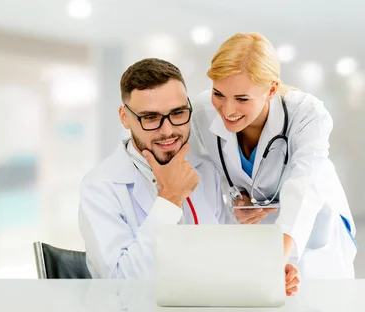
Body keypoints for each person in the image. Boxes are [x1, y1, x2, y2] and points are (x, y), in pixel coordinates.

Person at [78, 58, 300, 295]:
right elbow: (121, 286)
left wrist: (263, 272)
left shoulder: (205, 171)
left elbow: (225, 258)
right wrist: (168, 200)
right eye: (150, 118)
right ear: (124, 117)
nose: (168, 130)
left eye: (178, 113)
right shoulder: (100, 187)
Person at [189, 32, 357, 279]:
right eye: (219, 94)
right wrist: (235, 197)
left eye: (242, 99)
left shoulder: (308, 114)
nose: (227, 109)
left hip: (315, 227)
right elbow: (209, 170)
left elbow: (305, 185)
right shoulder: (202, 112)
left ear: (272, 90)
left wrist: (278, 259)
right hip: (257, 231)